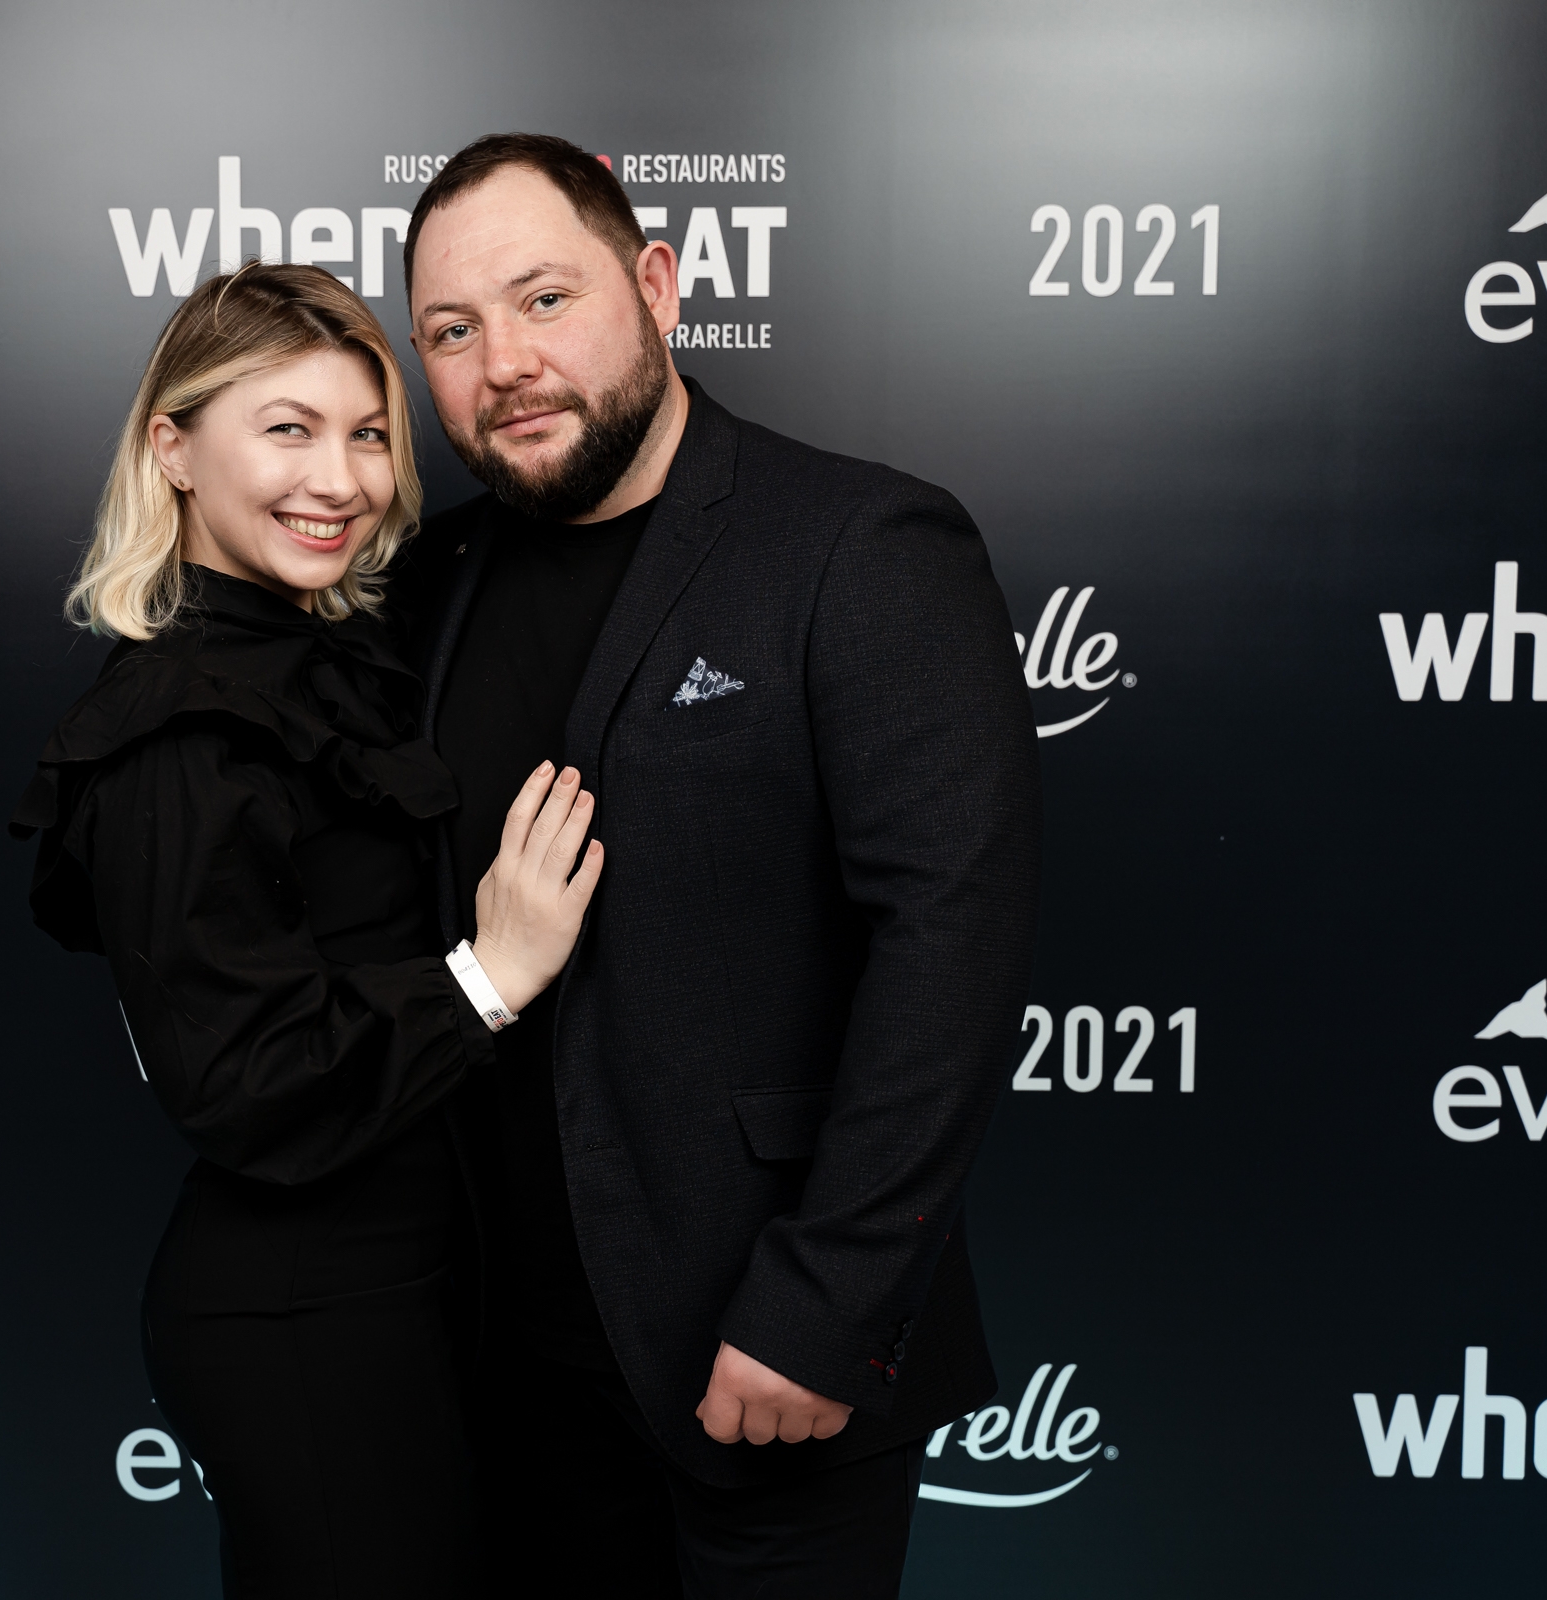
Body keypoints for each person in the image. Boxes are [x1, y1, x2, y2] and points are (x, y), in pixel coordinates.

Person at [390, 135, 1043, 1598]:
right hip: (506, 1375)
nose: (506, 363)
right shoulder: (428, 582)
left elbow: (951, 942)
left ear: (658, 287)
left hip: (760, 1359)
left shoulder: (860, 544)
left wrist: (826, 1305)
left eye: (545, 299)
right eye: (452, 330)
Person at [9, 262, 603, 1598]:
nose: (340, 480)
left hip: (409, 1286)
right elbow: (242, 1081)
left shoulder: (327, 656)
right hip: (303, 1311)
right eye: (289, 429)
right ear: (173, 448)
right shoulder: (177, 727)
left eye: (369, 435)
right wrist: (490, 976)